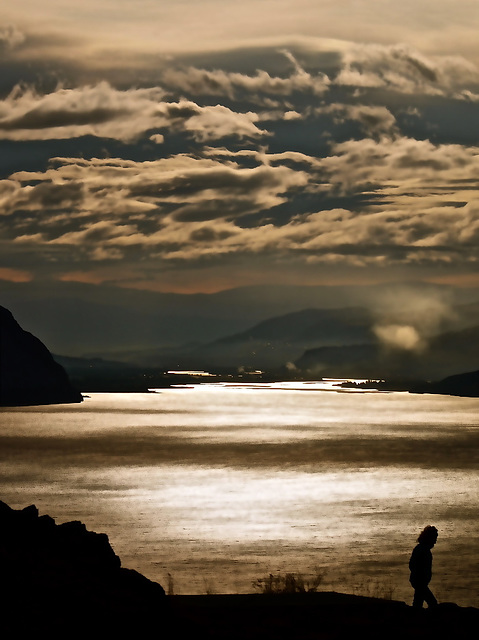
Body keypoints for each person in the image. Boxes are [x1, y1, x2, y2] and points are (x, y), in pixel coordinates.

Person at [409, 525, 439, 609]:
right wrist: (421, 577)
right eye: (434, 539)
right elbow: (413, 565)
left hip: (419, 582)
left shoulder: (421, 549)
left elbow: (412, 565)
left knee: (418, 603)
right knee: (432, 603)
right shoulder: (422, 550)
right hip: (420, 582)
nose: (435, 542)